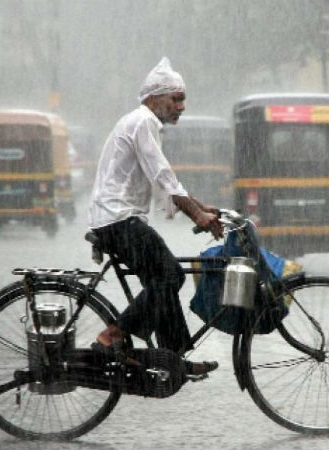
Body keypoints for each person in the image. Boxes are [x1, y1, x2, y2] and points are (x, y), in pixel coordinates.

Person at [89, 57, 223, 376]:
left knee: (159, 281)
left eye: (183, 99)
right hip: (117, 218)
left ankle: (173, 357)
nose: (182, 106)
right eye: (176, 99)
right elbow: (162, 174)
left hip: (116, 217)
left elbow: (163, 177)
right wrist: (195, 215)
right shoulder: (142, 121)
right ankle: (112, 336)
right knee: (171, 276)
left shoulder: (144, 123)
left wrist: (201, 208)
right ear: (153, 99)